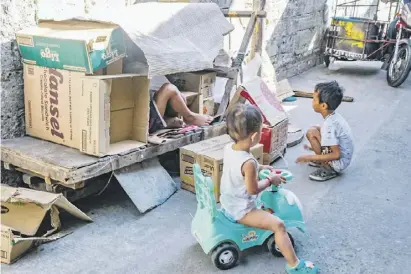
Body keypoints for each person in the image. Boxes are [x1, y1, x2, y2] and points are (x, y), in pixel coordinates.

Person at [220, 104, 319, 274]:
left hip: (228, 203)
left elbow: (240, 168)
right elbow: (252, 189)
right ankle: (295, 265)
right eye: (261, 129)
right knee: (279, 225)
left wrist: (261, 167)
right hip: (242, 211)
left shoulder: (229, 148)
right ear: (254, 137)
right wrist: (269, 179)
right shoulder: (248, 163)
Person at [296, 81, 354, 182]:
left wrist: (308, 157)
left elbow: (336, 154)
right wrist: (312, 148)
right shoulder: (334, 117)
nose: (312, 102)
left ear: (323, 106)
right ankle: (322, 159)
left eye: (314, 99)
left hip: (338, 163)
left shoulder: (329, 125)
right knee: (315, 129)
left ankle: (327, 167)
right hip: (344, 158)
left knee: (311, 133)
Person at [148, 83, 213, 134]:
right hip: (145, 123)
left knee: (180, 96)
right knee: (169, 88)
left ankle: (164, 121)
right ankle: (190, 117)